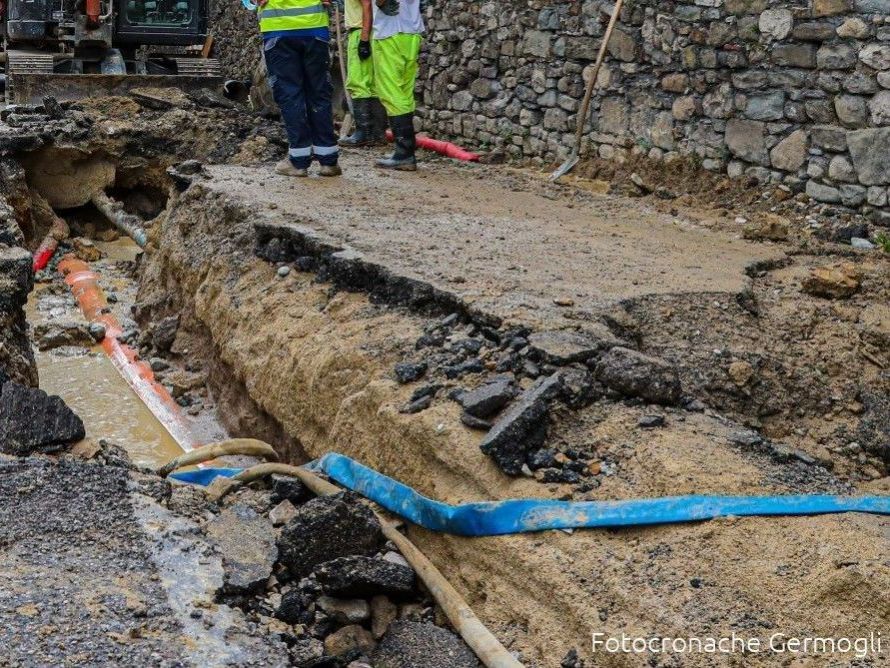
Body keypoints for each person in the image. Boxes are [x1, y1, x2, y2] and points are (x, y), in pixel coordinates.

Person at [258, 0, 342, 177]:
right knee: (319, 93)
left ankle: (298, 161)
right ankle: (328, 161)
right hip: (315, 29)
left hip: (279, 31)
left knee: (290, 95)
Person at [371, 0, 423, 170]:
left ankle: (404, 152)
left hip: (390, 32)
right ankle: (406, 150)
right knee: (404, 92)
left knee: (390, 91)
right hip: (412, 32)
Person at [338, 0, 386, 146]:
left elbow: (367, 4)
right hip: (371, 31)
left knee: (358, 83)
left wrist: (363, 39)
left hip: (361, 31)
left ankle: (363, 133)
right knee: (373, 85)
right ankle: (377, 134)